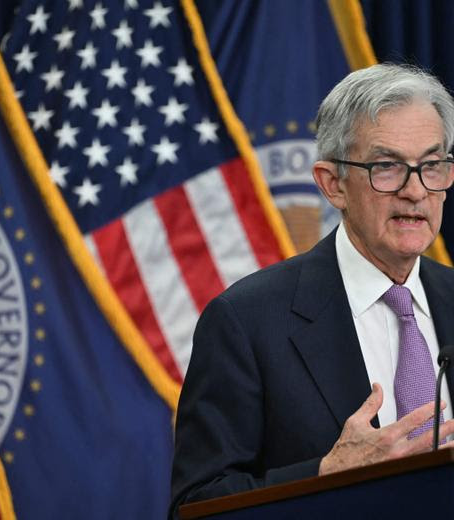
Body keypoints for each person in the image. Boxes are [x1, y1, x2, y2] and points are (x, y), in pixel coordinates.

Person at [170, 63, 454, 515]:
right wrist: (327, 475)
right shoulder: (245, 322)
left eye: (432, 166)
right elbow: (197, 505)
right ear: (333, 184)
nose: (415, 191)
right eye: (386, 167)